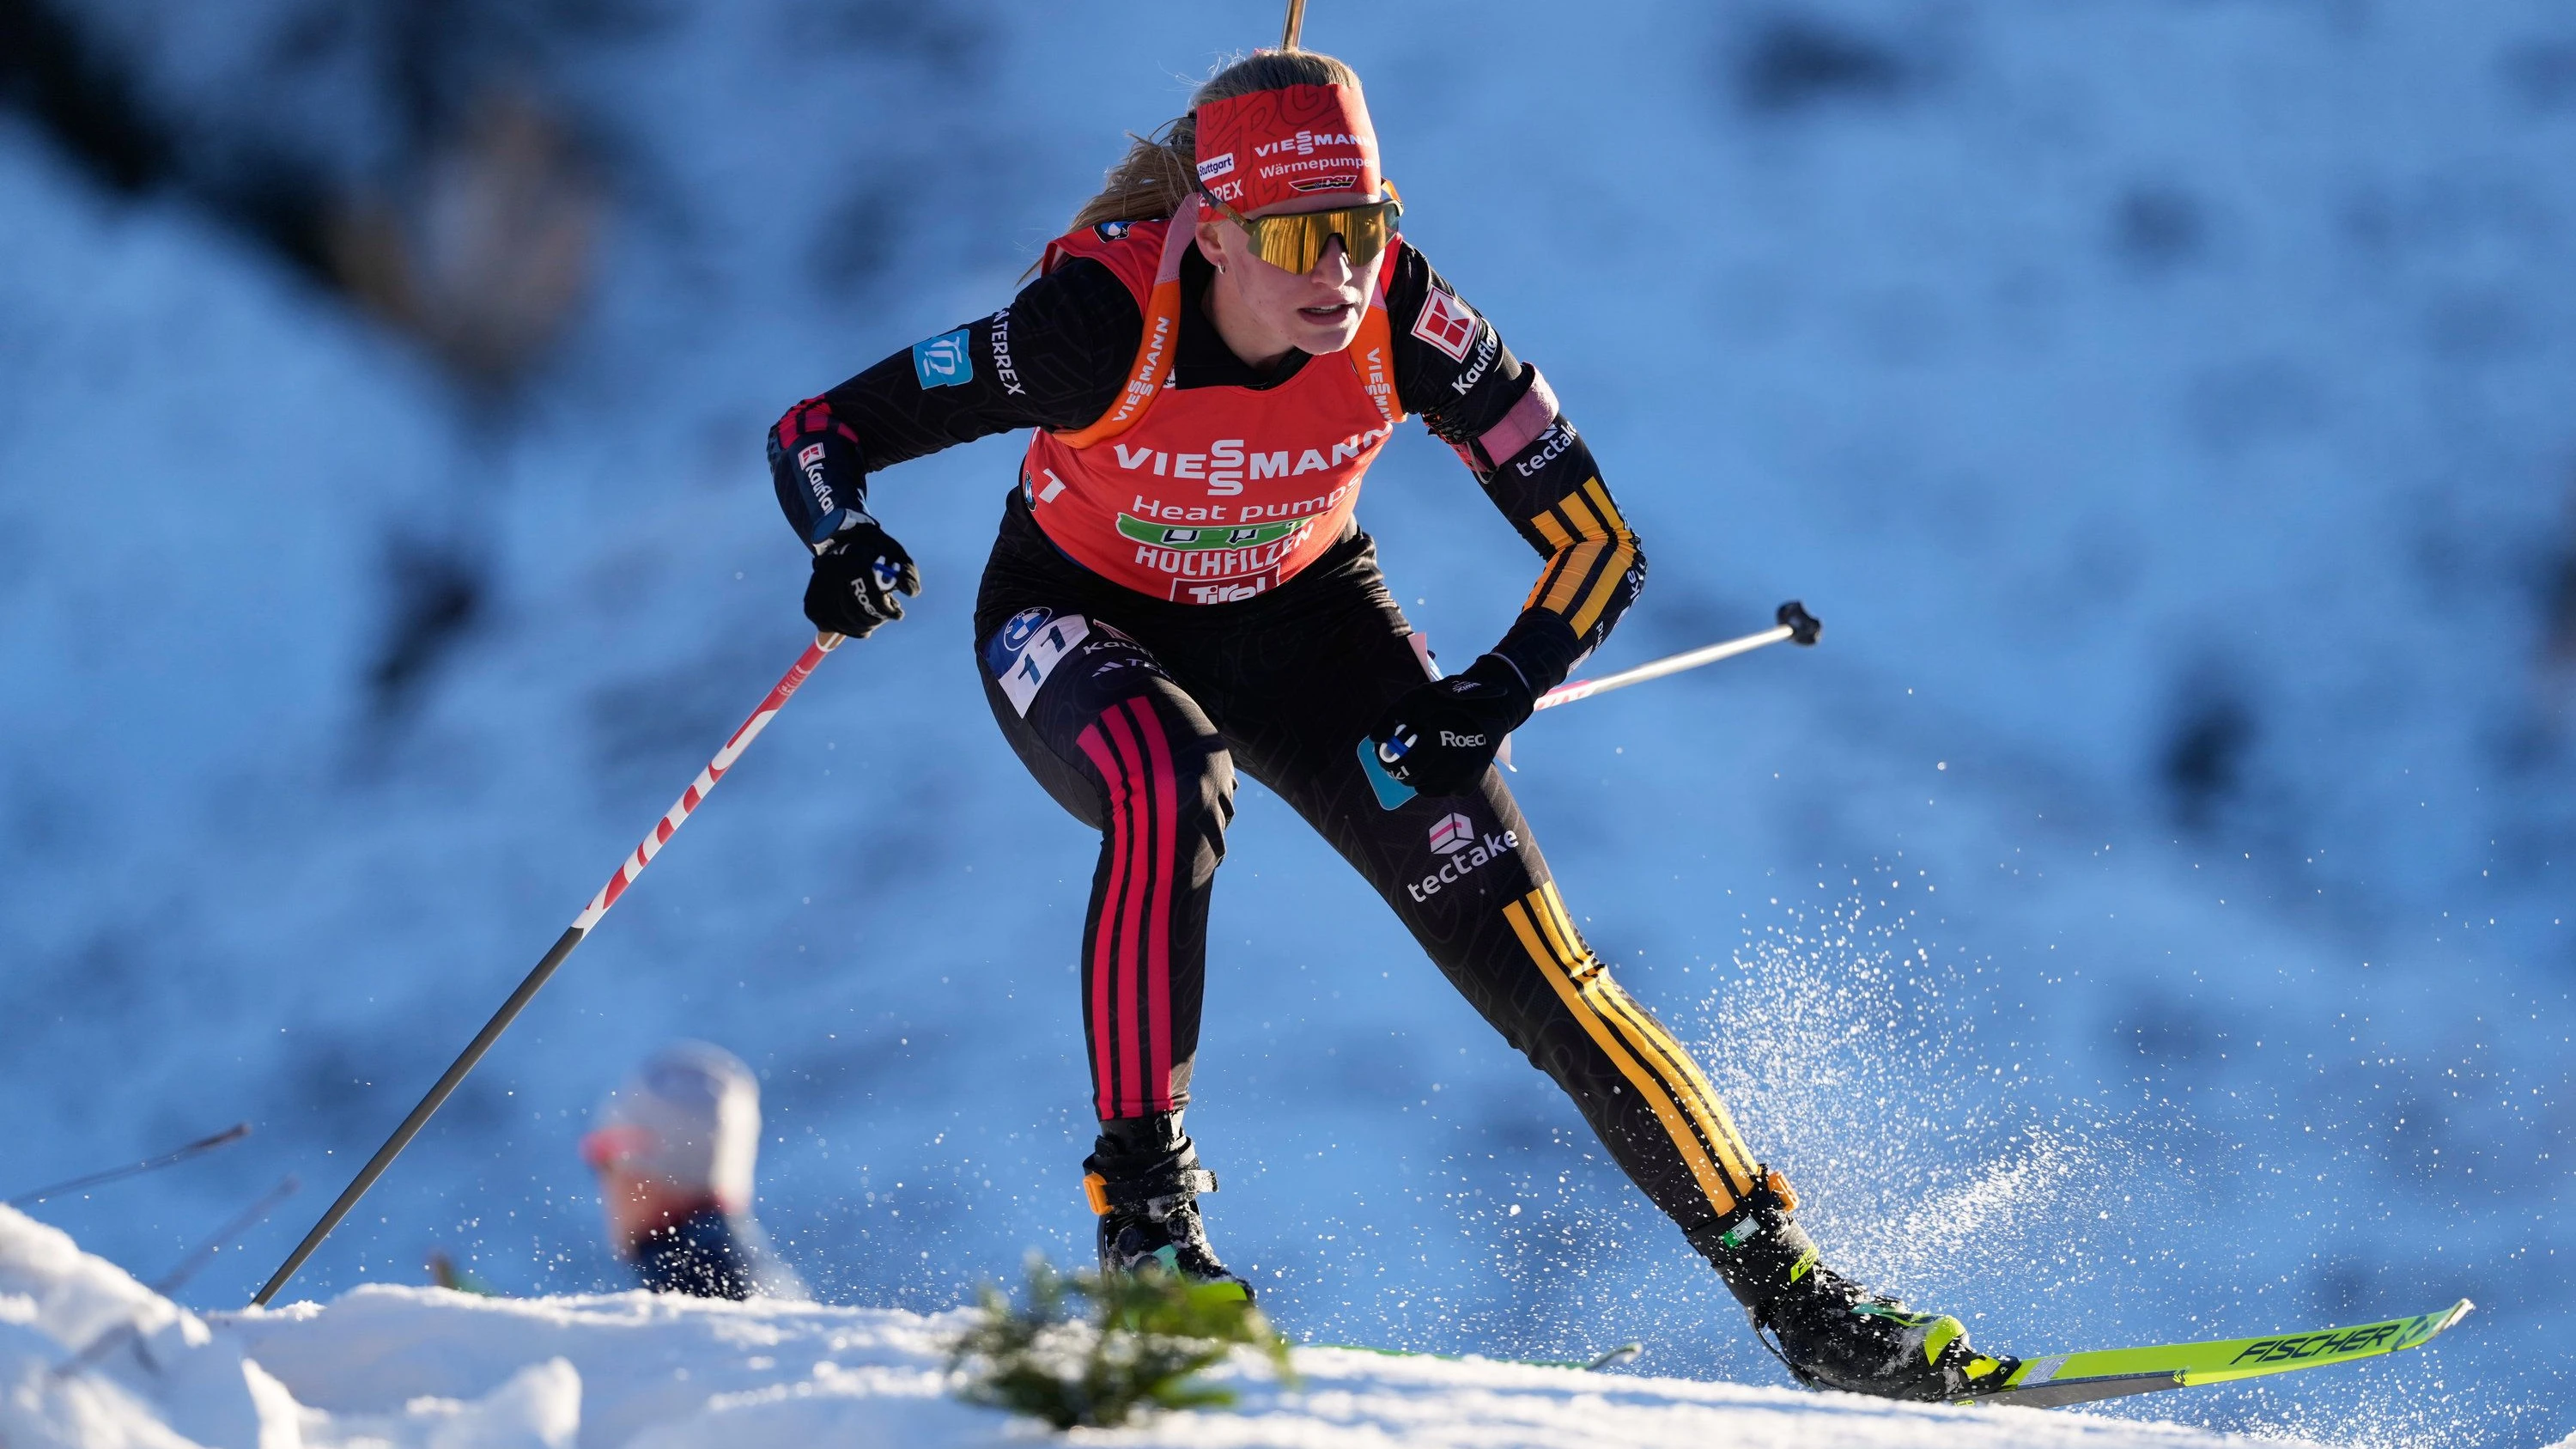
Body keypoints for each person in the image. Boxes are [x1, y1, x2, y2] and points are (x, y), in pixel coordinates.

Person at [765, 49, 2009, 1400]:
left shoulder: (1406, 320)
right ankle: (1149, 1230)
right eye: (1300, 236)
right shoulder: (1094, 322)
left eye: (1365, 227)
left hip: (1312, 630)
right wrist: (841, 537)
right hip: (1079, 612)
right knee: (1169, 779)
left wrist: (1501, 684)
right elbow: (821, 427)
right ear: (1217, 230)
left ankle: (1799, 1294)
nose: (1339, 270)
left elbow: (1597, 539)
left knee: (1546, 974)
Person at [580, 1041, 805, 1300]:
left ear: (640, 1171)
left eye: (604, 1162)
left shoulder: (684, 1289)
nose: (604, 1185)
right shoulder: (761, 1276)